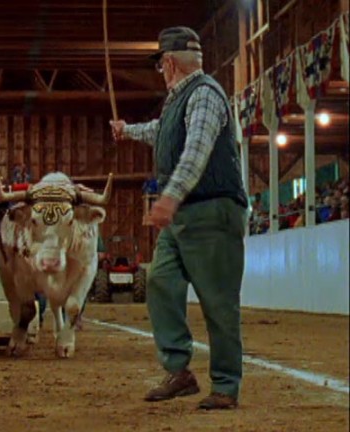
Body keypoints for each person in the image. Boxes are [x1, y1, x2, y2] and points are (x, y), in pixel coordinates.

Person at [110, 26, 248, 410]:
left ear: (169, 63)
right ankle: (179, 371)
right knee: (160, 281)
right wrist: (128, 131)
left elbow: (196, 150)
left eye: (160, 65)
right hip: (186, 214)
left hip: (210, 210)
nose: (160, 72)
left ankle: (225, 386)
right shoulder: (180, 101)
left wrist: (169, 197)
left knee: (218, 302)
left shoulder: (204, 94)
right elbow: (161, 132)